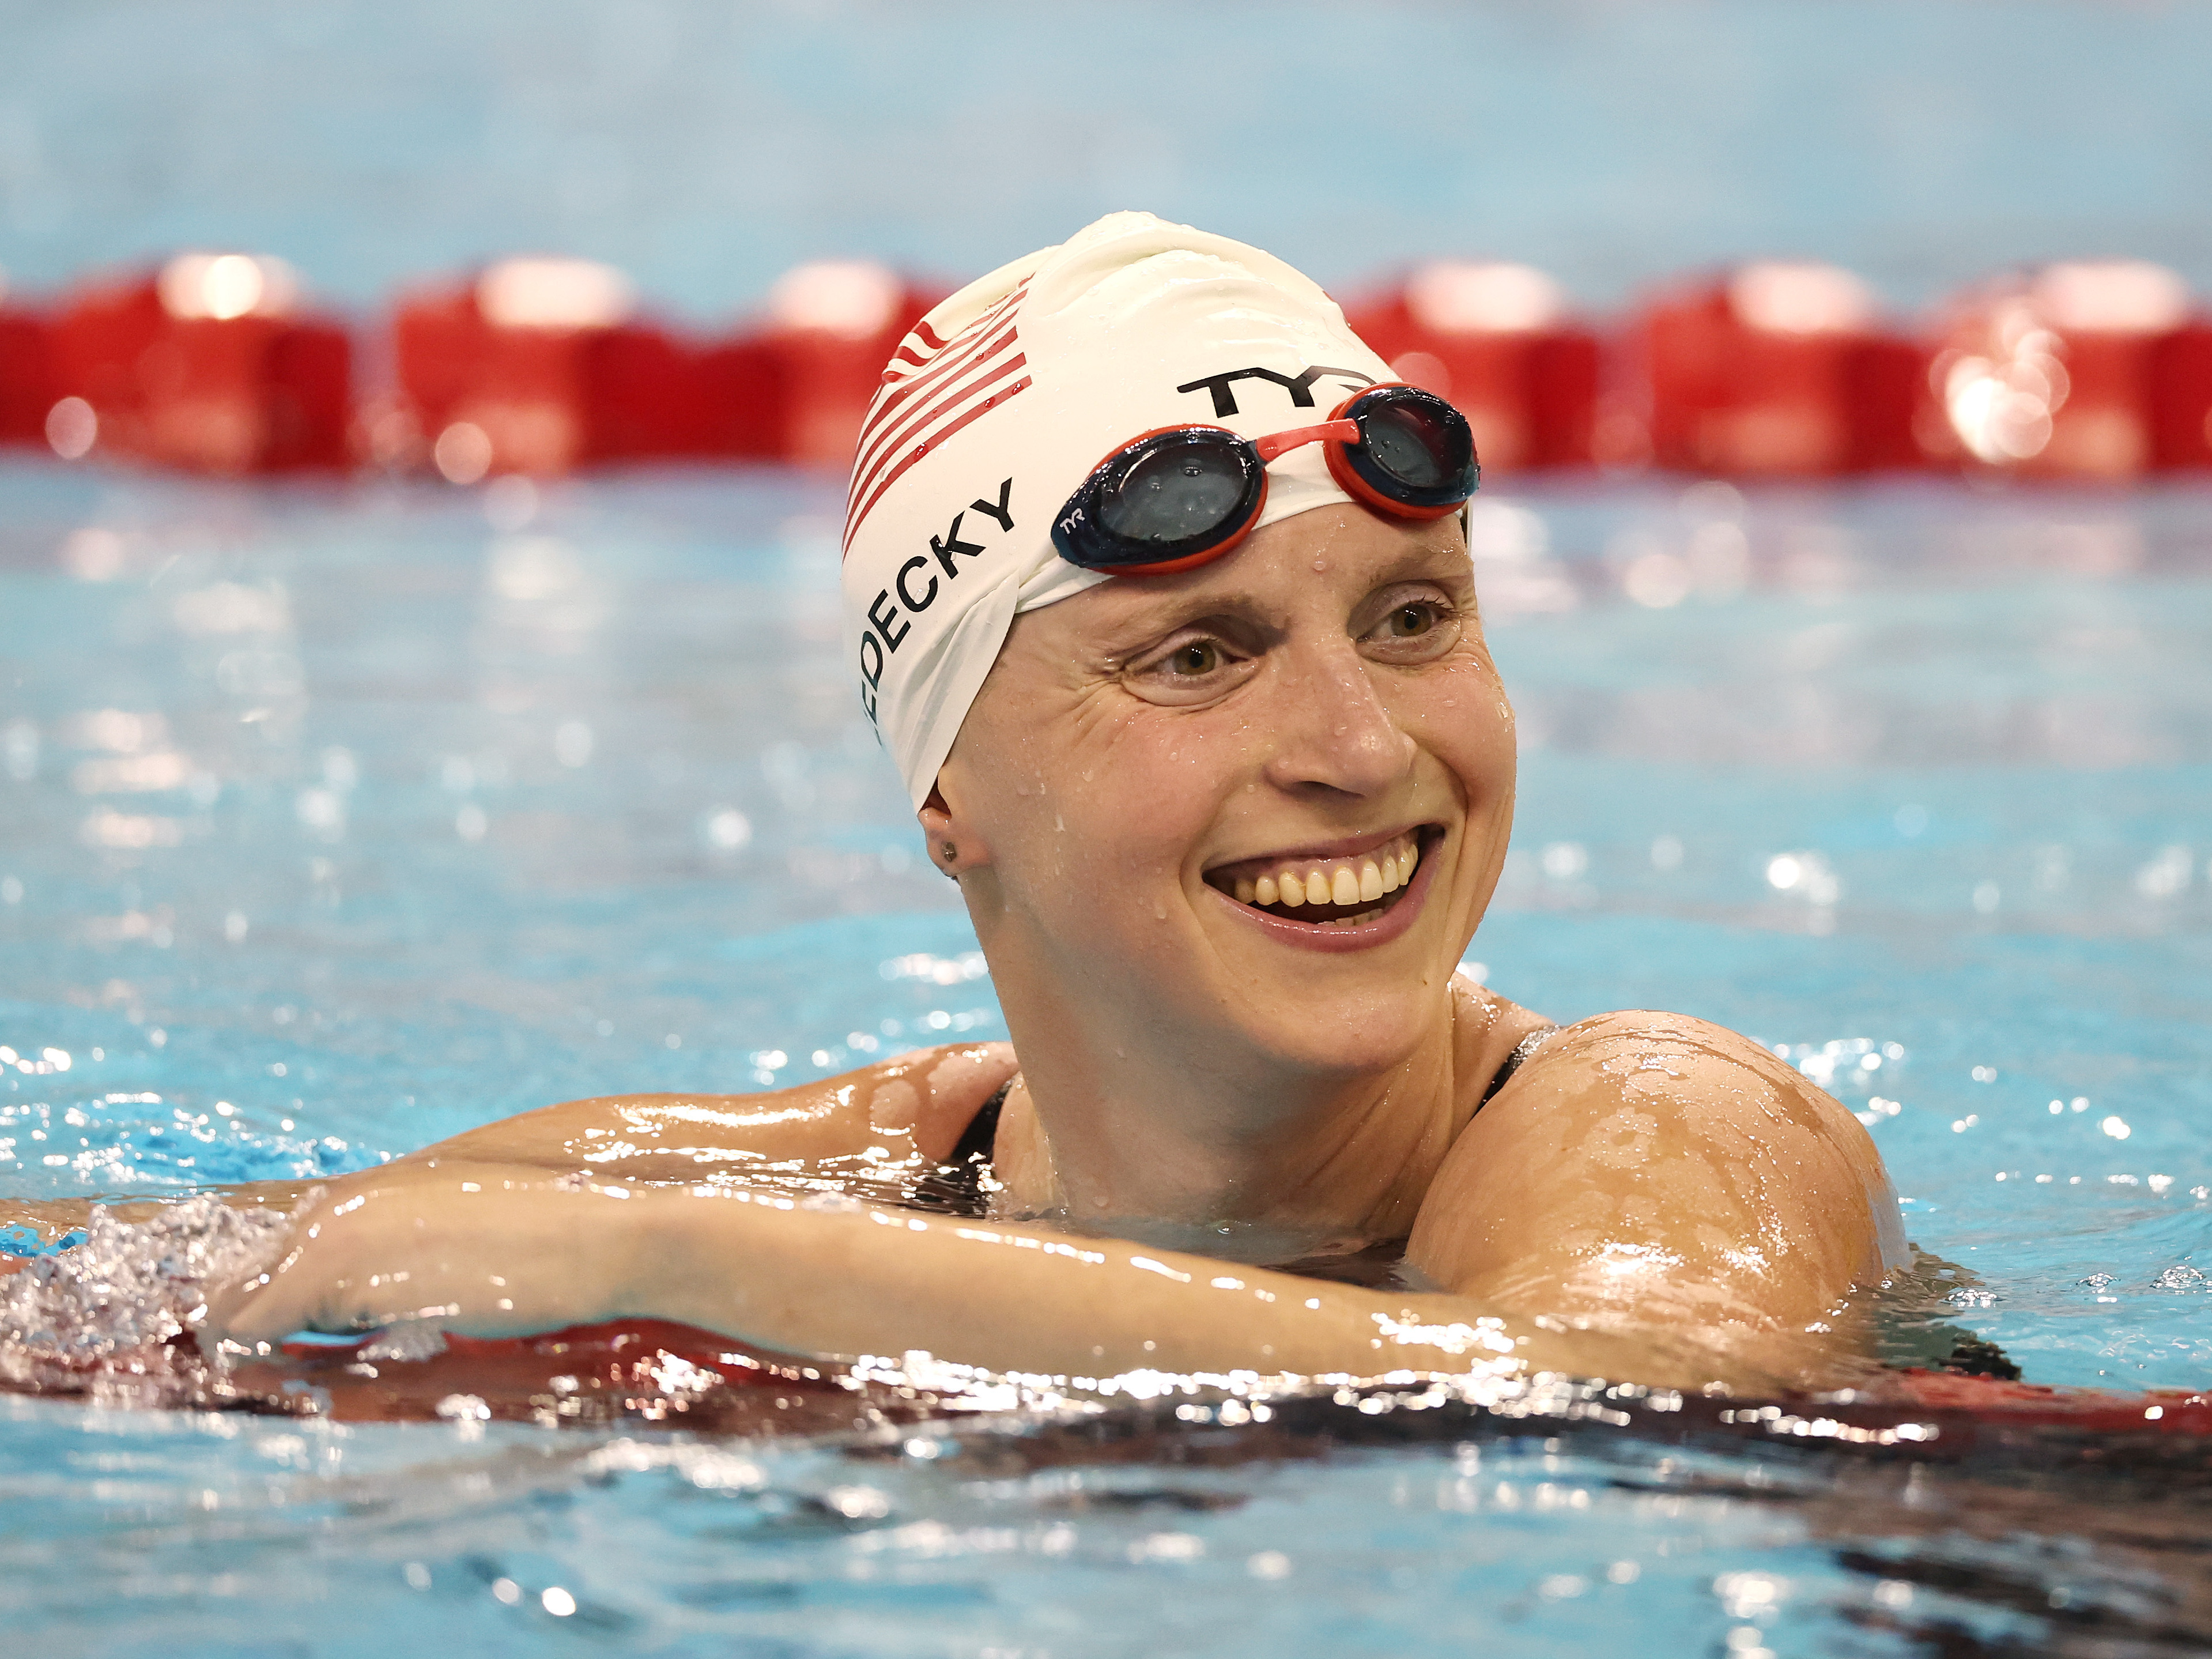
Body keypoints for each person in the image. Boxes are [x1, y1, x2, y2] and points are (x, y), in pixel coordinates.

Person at [192, 213, 1905, 1394]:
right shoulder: (893, 1171)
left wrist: (681, 1268)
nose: (1362, 747)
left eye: (1414, 616)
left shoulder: (1663, 1119)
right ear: (946, 793)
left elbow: (1633, 1385)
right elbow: (175, 1270)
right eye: (1198, 658)